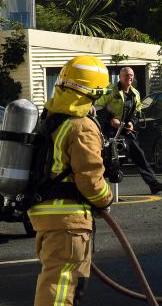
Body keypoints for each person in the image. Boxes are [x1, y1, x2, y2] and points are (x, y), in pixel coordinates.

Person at [28, 56, 114, 306]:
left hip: (48, 216)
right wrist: (105, 200)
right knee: (59, 288)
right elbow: (90, 178)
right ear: (94, 91)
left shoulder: (52, 118)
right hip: (69, 220)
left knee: (63, 283)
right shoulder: (81, 126)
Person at [94, 67, 162, 195]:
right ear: (120, 77)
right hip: (109, 130)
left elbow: (138, 112)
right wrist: (111, 119)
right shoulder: (111, 90)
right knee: (107, 159)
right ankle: (94, 188)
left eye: (131, 75)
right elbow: (97, 106)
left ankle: (153, 184)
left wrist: (131, 123)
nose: (129, 77)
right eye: (126, 75)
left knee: (139, 154)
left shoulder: (135, 93)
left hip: (125, 130)